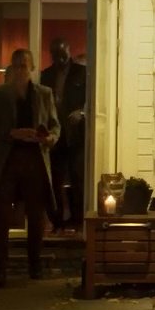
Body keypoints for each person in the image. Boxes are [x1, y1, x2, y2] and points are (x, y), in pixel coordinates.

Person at [0, 48, 60, 287]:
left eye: (24, 65)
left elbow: (55, 126)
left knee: (36, 215)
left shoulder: (44, 94)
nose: (20, 70)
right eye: (16, 66)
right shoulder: (0, 94)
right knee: (1, 215)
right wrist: (11, 133)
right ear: (11, 69)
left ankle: (35, 266)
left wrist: (47, 138)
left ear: (32, 68)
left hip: (35, 159)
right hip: (9, 159)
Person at [37, 37, 88, 233]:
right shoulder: (46, 75)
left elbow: (93, 99)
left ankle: (77, 220)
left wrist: (82, 112)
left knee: (78, 177)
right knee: (55, 179)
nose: (60, 59)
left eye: (63, 55)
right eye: (56, 55)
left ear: (69, 51)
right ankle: (57, 220)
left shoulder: (82, 73)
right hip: (55, 132)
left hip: (75, 133)